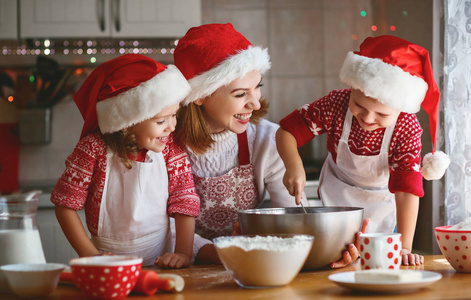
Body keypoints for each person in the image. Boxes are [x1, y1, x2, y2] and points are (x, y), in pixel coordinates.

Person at [276, 35, 450, 266]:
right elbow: (287, 131)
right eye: (359, 105)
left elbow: (406, 190)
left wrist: (405, 247)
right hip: (337, 193)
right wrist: (293, 165)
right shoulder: (336, 104)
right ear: (352, 89)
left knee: (377, 262)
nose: (367, 118)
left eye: (382, 114)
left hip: (383, 200)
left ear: (401, 109)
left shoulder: (406, 127)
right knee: (339, 257)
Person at [172, 23, 314, 264]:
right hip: (181, 268)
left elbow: (294, 219)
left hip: (250, 265)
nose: (256, 104)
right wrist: (224, 253)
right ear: (199, 96)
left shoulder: (267, 140)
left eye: (257, 88)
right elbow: (158, 230)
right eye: (240, 94)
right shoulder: (165, 146)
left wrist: (324, 244)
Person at [50, 54, 200, 268]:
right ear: (127, 123)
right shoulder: (93, 149)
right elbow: (64, 205)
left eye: (174, 115)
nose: (172, 127)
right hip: (107, 265)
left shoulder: (170, 148)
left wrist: (183, 254)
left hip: (162, 262)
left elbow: (184, 199)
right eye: (160, 120)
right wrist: (91, 256)